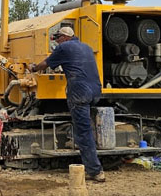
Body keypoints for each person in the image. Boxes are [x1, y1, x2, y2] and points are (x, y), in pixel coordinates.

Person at [30, 26, 105, 182]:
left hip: (80, 92)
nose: (57, 41)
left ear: (65, 37)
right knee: (87, 127)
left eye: (58, 38)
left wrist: (34, 68)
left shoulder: (64, 47)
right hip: (96, 91)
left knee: (83, 131)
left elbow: (45, 64)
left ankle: (95, 171)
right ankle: (86, 151)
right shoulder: (86, 47)